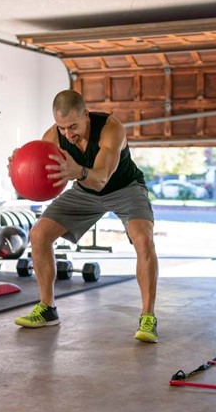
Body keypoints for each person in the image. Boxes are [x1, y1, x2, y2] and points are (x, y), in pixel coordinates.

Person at [10, 90, 159, 343]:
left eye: (73, 126)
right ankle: (47, 309)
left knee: (143, 239)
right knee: (39, 234)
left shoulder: (111, 129)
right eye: (62, 128)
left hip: (124, 188)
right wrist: (19, 167)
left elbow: (101, 178)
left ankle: (148, 317)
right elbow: (38, 169)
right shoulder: (53, 136)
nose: (68, 134)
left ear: (85, 114)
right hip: (84, 191)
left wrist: (77, 171)